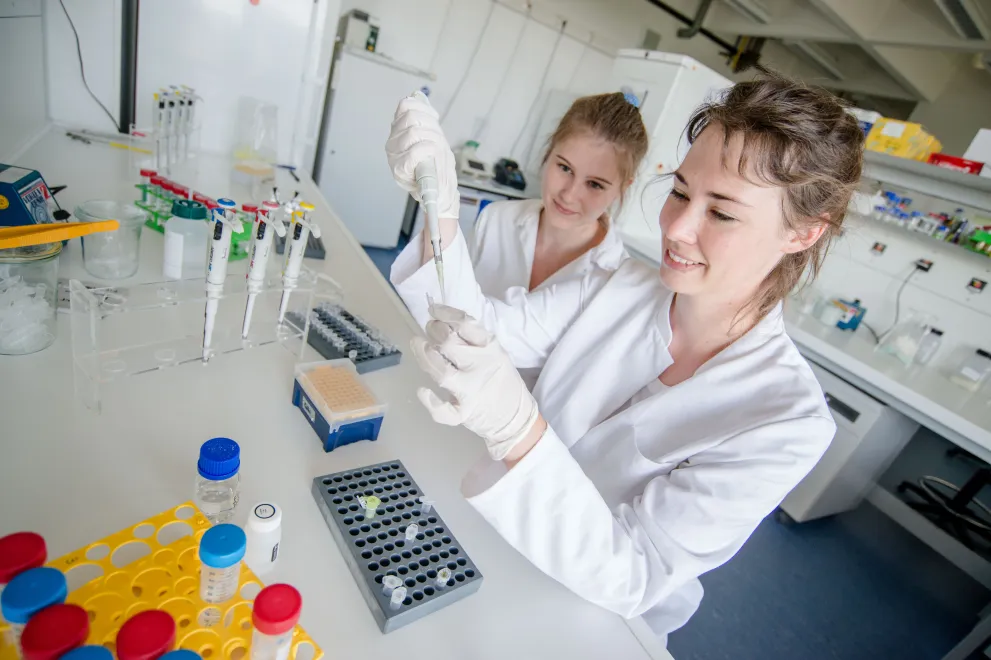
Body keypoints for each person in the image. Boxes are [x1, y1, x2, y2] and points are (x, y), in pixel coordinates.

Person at [384, 74, 864, 643]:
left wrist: (517, 429)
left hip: (591, 621)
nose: (676, 229)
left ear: (804, 233)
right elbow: (477, 329)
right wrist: (439, 203)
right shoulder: (620, 284)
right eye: (680, 192)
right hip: (493, 543)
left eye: (722, 214)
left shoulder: (788, 421)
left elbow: (633, 572)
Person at [468, 93, 647, 296]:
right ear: (550, 150)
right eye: (565, 168)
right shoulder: (495, 221)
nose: (569, 195)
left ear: (623, 187)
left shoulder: (618, 281)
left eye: (594, 184)